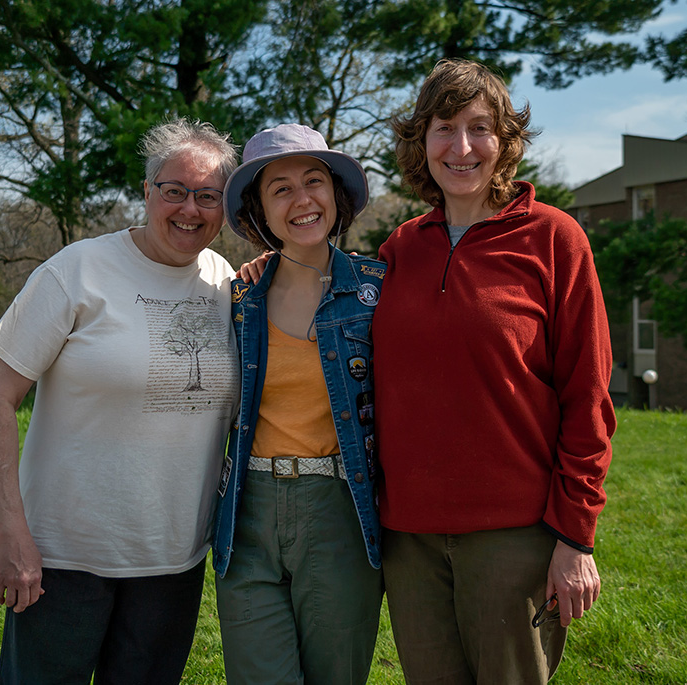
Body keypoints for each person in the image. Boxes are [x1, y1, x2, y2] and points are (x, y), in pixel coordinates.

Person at [0, 117, 240, 684]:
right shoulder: (77, 271)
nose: (189, 209)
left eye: (208, 196)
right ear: (147, 192)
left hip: (174, 563)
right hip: (61, 561)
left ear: (225, 207)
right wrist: (11, 532)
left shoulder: (226, 283)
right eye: (174, 191)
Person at [373, 58, 617, 683]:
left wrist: (576, 537)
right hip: (409, 537)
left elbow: (588, 397)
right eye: (443, 127)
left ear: (505, 141)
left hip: (514, 535)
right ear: (419, 140)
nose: (461, 147)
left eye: (479, 128)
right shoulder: (400, 249)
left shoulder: (554, 239)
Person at [212, 123, 385, 684]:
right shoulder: (240, 298)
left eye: (314, 181)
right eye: (280, 188)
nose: (302, 199)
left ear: (336, 194)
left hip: (339, 509)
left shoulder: (377, 291)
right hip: (248, 510)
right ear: (262, 210)